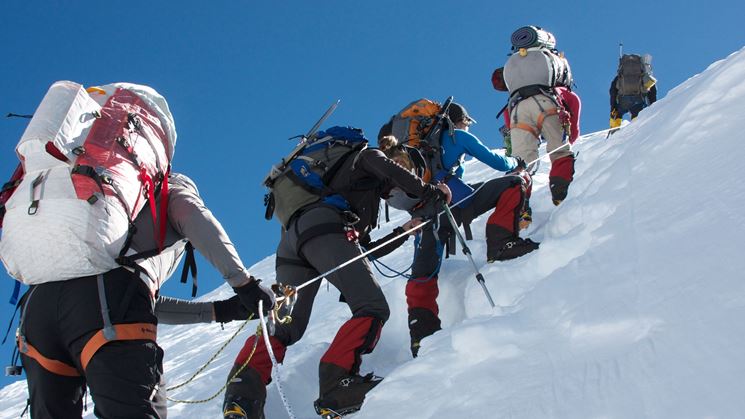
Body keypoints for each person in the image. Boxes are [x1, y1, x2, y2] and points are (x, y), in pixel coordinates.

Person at [222, 128, 450, 419]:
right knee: (372, 306)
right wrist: (432, 192)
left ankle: (241, 396)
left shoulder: (340, 186)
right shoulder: (366, 155)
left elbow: (360, 252)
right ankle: (337, 384)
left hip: (292, 243)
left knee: (284, 327)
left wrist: (402, 232)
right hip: (325, 231)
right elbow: (391, 171)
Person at [15, 172, 275, 419]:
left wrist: (219, 311)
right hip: (106, 299)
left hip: (37, 309)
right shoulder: (168, 190)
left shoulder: (103, 210)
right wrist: (244, 284)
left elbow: (142, 302)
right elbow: (190, 214)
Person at [379, 102, 539, 358]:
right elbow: (498, 162)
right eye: (465, 122)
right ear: (455, 121)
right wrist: (517, 161)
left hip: (426, 215)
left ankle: (421, 333)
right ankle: (501, 244)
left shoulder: (416, 149)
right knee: (514, 182)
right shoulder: (456, 137)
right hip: (459, 204)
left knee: (422, 272)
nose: (466, 126)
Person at [503, 33, 581, 207]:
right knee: (559, 150)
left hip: (517, 109)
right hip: (547, 104)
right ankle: (559, 195)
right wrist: (572, 135)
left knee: (522, 163)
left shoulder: (516, 82)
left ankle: (520, 209)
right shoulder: (557, 86)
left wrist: (517, 131)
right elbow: (574, 102)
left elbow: (507, 117)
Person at [610, 53, 657, 128]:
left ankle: (614, 130)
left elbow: (612, 91)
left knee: (617, 115)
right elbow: (652, 91)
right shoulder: (644, 76)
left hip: (623, 100)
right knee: (636, 118)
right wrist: (653, 105)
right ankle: (635, 132)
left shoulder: (620, 77)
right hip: (638, 100)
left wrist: (613, 108)